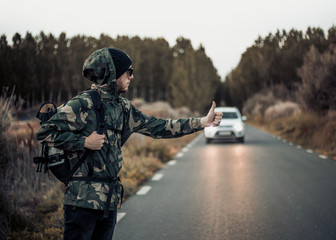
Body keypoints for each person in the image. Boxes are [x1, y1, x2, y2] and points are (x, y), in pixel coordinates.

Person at [36, 47, 223, 240]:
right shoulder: (82, 104)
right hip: (81, 203)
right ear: (112, 73)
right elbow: (45, 132)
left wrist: (202, 122)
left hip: (109, 203)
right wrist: (84, 142)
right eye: (128, 71)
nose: (131, 77)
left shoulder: (123, 108)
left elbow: (159, 127)